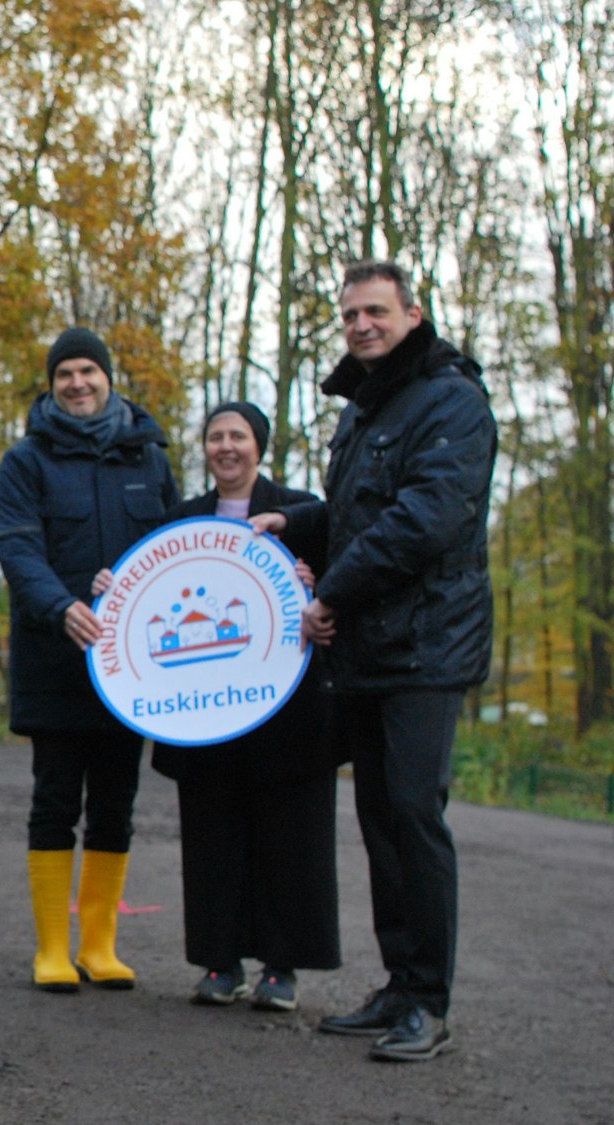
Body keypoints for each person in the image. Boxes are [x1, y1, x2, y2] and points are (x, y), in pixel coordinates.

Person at [251, 261, 496, 1062]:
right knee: (382, 820)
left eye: (376, 311)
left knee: (416, 814)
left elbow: (425, 519)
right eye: (351, 313)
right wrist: (295, 522)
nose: (361, 325)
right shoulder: (364, 407)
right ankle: (399, 982)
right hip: (368, 649)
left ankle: (430, 1001)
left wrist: (333, 593)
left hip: (429, 644)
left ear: (412, 315)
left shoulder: (452, 401)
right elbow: (358, 516)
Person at [117, 403, 341, 1011]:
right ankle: (220, 962)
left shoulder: (302, 512)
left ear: (258, 446)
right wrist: (115, 591)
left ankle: (281, 967)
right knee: (212, 839)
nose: (226, 446)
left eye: (237, 436)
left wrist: (318, 587)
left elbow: (341, 580)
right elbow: (147, 593)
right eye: (215, 436)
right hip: (205, 713)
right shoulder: (180, 522)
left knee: (290, 838)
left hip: (287, 711)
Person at [0, 326, 178, 993]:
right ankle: (51, 948)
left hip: (128, 673)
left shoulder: (148, 457)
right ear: (51, 385)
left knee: (116, 805)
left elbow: (176, 550)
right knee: (55, 802)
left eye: (87, 371)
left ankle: (100, 946)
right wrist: (60, 606)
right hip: (56, 664)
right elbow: (17, 546)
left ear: (107, 377)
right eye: (64, 373)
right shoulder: (26, 462)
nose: (77, 383)